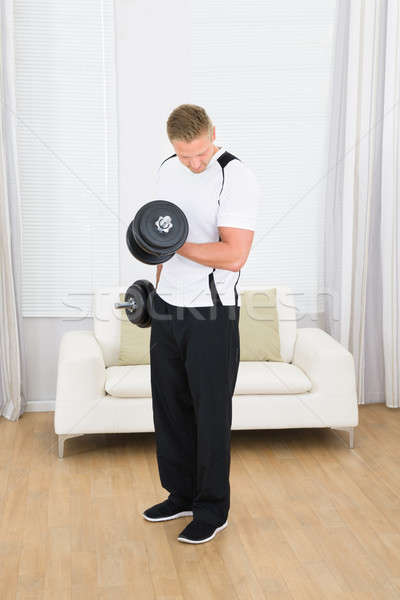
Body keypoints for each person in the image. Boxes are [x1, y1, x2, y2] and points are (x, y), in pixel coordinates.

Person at [142, 104, 260, 544]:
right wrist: (155, 293)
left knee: (210, 415)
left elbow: (234, 254)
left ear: (214, 133)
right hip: (168, 307)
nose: (194, 163)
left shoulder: (236, 176)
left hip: (211, 313)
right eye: (184, 155)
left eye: (200, 152)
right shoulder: (167, 170)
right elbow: (157, 238)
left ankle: (212, 508)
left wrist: (176, 245)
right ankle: (182, 495)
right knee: (170, 409)